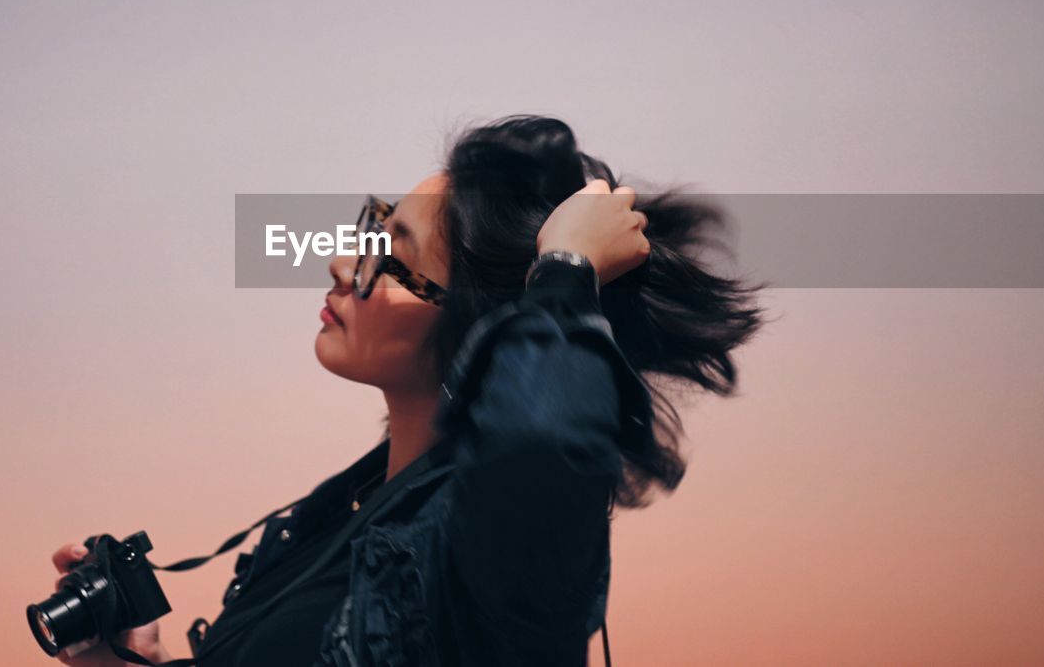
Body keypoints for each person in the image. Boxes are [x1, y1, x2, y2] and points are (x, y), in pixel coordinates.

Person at [48, 114, 768, 666]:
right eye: (371, 231)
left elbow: (541, 433)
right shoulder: (338, 522)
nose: (340, 263)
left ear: (482, 325)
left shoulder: (497, 548)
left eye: (390, 259)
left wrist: (565, 267)